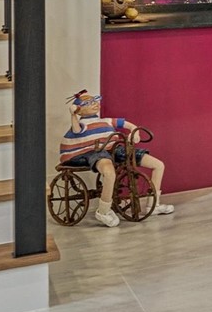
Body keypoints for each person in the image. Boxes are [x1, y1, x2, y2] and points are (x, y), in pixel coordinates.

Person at [60, 87, 172, 226]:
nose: (95, 103)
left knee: (158, 165)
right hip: (96, 152)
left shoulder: (107, 121)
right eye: (89, 103)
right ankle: (103, 211)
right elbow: (76, 130)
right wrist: (73, 115)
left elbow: (129, 125)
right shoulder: (82, 125)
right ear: (78, 109)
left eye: (95, 100)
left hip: (116, 149)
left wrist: (134, 132)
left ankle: (153, 205)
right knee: (109, 172)